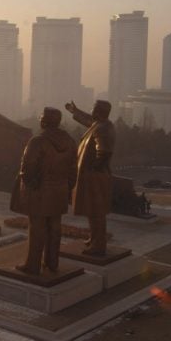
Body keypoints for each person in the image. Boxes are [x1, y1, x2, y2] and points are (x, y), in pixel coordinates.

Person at [10, 107, 77, 274]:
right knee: (55, 226)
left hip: (40, 192)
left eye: (41, 117)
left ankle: (32, 265)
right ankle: (52, 263)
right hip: (59, 191)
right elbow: (73, 169)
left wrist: (30, 188)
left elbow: (27, 169)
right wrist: (67, 187)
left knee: (37, 227)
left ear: (44, 121)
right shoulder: (70, 141)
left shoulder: (37, 141)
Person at [65, 99, 116, 256]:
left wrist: (94, 169)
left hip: (95, 176)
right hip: (94, 174)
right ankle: (94, 238)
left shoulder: (102, 128)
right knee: (92, 210)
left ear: (100, 111)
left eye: (94, 108)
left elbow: (104, 152)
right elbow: (89, 121)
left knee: (96, 212)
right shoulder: (101, 125)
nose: (92, 111)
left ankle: (98, 245)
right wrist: (75, 111)